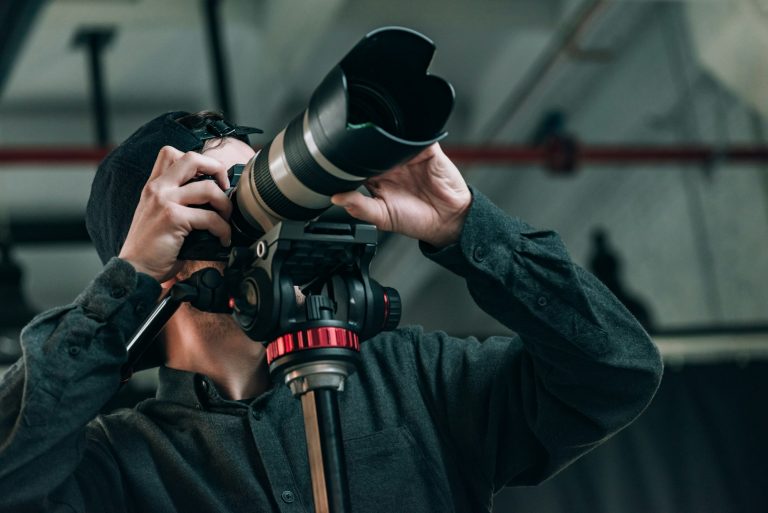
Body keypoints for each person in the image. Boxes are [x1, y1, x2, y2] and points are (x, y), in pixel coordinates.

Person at [0, 111, 663, 513]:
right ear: (163, 245)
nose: (266, 221)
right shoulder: (119, 463)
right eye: (225, 199)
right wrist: (128, 283)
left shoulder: (413, 378)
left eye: (263, 187)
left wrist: (466, 226)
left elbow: (617, 369)